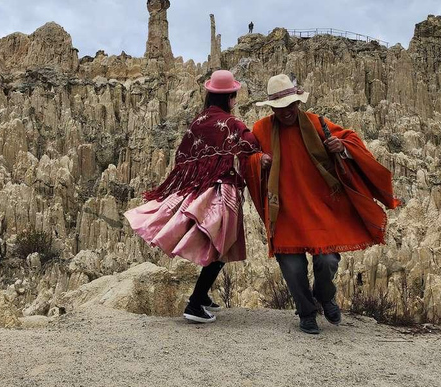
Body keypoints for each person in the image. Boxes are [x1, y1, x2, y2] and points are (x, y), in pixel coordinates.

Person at [243, 74, 401, 334]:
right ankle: (306, 312)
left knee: (327, 261)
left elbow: (350, 139)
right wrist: (258, 160)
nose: (286, 113)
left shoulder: (316, 123)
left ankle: (325, 296)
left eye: (291, 106)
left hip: (321, 209)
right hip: (285, 212)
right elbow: (245, 155)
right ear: (272, 109)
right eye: (281, 108)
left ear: (298, 104)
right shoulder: (260, 130)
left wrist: (341, 146)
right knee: (293, 269)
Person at [124, 70, 261, 323]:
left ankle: (203, 296)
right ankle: (195, 303)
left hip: (196, 188)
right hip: (221, 190)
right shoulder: (232, 124)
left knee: (208, 239)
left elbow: (183, 156)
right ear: (230, 97)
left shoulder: (197, 122)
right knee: (222, 244)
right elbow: (250, 145)